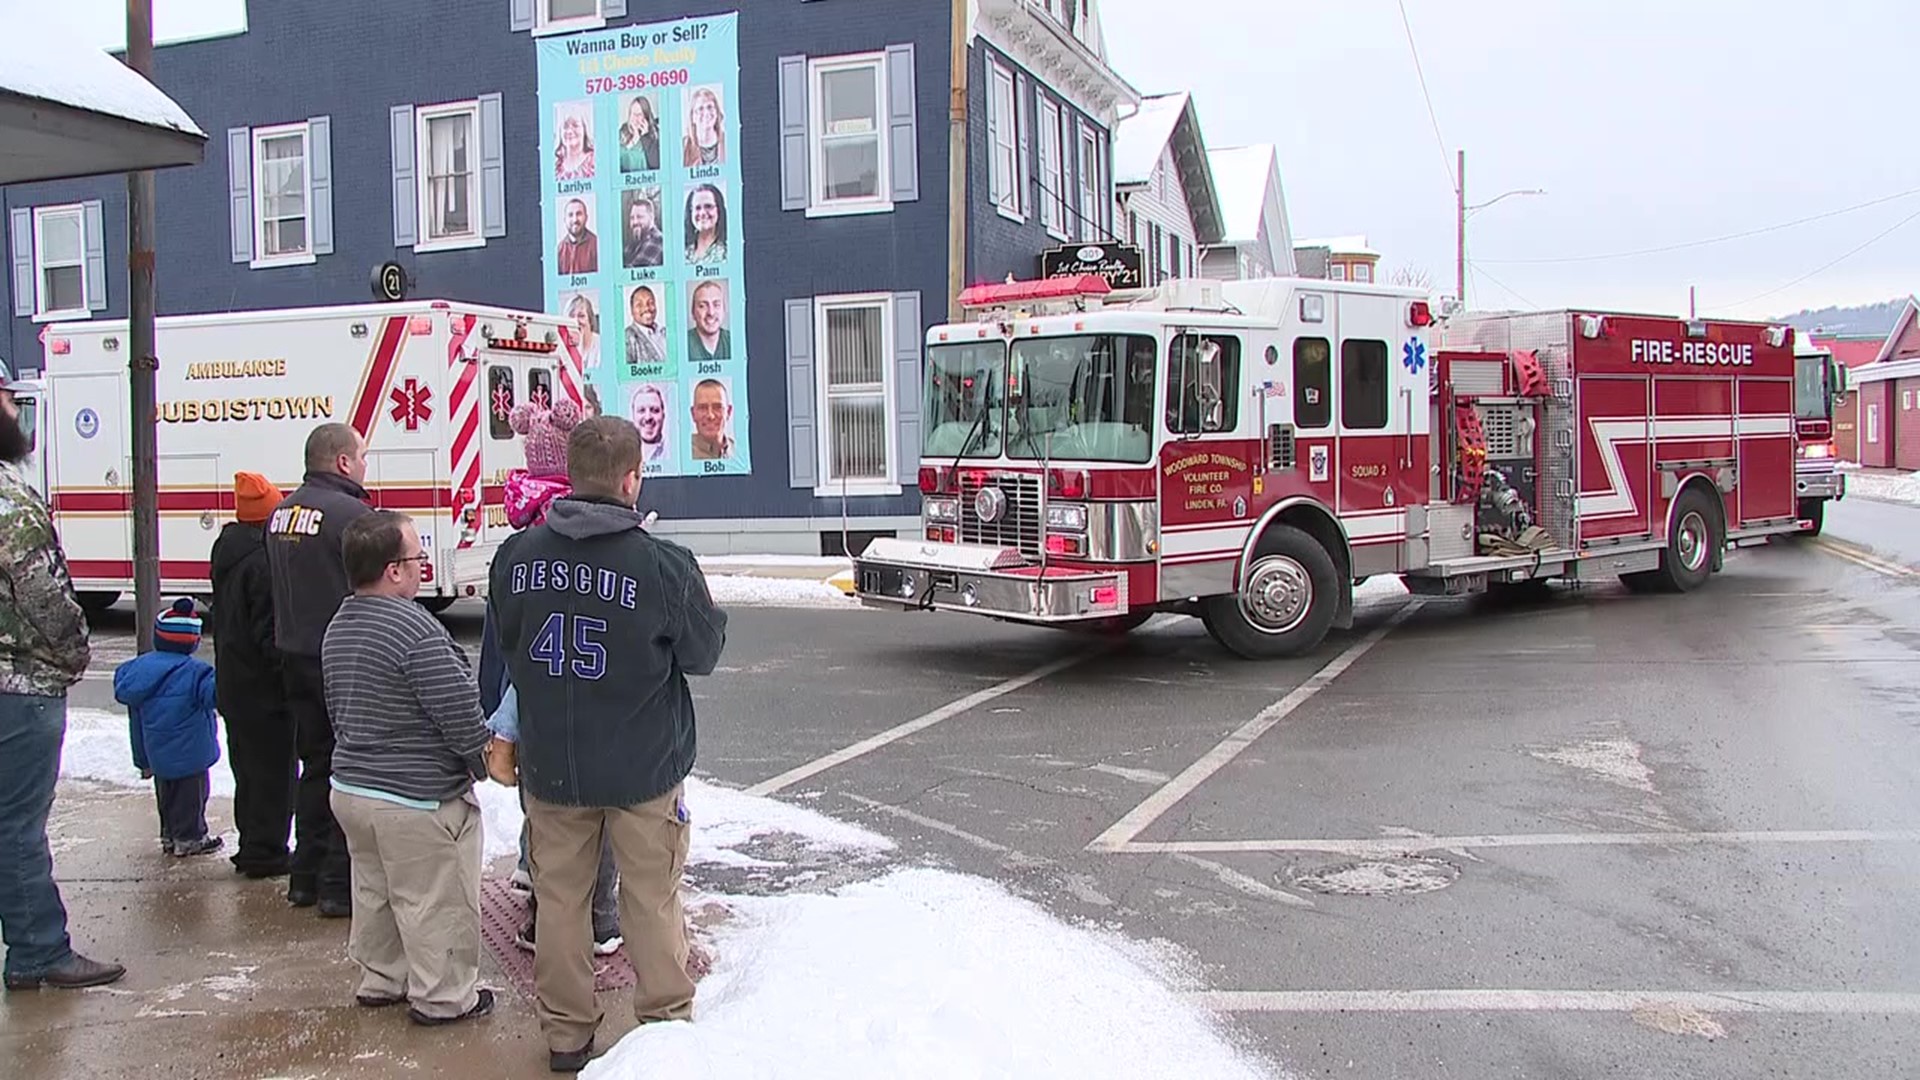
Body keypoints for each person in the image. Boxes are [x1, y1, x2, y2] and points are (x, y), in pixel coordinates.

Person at [487, 416, 726, 1073]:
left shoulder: (518, 555)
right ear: (630, 479)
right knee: (649, 895)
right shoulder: (663, 563)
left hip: (554, 765)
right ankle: (665, 1024)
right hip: (643, 765)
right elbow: (703, 652)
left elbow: (509, 644)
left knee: (559, 901)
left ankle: (566, 1035)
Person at [322, 511, 495, 1026]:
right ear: (393, 570)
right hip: (416, 800)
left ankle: (382, 978)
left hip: (351, 789)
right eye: (418, 557)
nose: (423, 566)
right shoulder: (417, 631)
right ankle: (444, 997)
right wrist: (482, 762)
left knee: (375, 891)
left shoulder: (339, 625)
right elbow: (461, 715)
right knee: (435, 901)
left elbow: (336, 708)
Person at [0, 373, 121, 992]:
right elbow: (43, 595)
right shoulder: (10, 502)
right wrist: (75, 649)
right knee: (18, 825)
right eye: (8, 401)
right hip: (18, 689)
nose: (16, 412)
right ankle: (38, 950)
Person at [494, 398, 622, 958]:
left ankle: (543, 918)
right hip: (593, 713)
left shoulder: (516, 546)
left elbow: (508, 645)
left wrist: (501, 723)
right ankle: (601, 920)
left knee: (547, 829)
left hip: (535, 713)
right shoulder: (603, 542)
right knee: (600, 836)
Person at [264, 423, 373, 918]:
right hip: (340, 660)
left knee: (315, 766)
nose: (366, 466)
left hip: (293, 654)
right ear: (344, 462)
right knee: (345, 770)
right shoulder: (352, 514)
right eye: (363, 457)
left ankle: (304, 877)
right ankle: (336, 883)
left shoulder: (281, 512)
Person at [210, 471, 296, 878]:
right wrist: (288, 674)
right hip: (263, 690)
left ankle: (253, 845)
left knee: (248, 771)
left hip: (233, 682)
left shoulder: (227, 551)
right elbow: (269, 634)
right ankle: (266, 853)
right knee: (273, 774)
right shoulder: (262, 564)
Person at [114, 598, 223, 858]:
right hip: (191, 752)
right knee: (191, 799)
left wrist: (142, 760)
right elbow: (215, 698)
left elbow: (135, 717)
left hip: (157, 752)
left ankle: (169, 835)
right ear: (193, 642)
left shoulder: (137, 670)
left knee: (167, 797)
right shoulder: (196, 672)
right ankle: (190, 838)